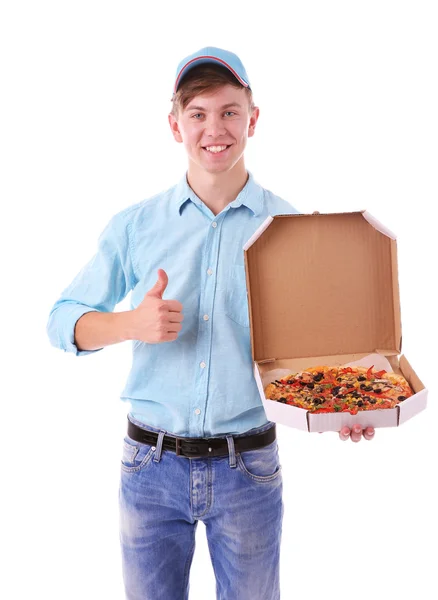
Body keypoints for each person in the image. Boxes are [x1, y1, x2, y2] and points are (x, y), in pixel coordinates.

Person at [46, 46, 375, 600]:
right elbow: (62, 323)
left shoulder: (291, 228)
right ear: (175, 126)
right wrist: (131, 323)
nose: (214, 129)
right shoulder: (136, 226)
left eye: (228, 111)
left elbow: (319, 348)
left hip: (247, 467)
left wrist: (346, 405)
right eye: (197, 114)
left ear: (253, 118)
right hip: (148, 467)